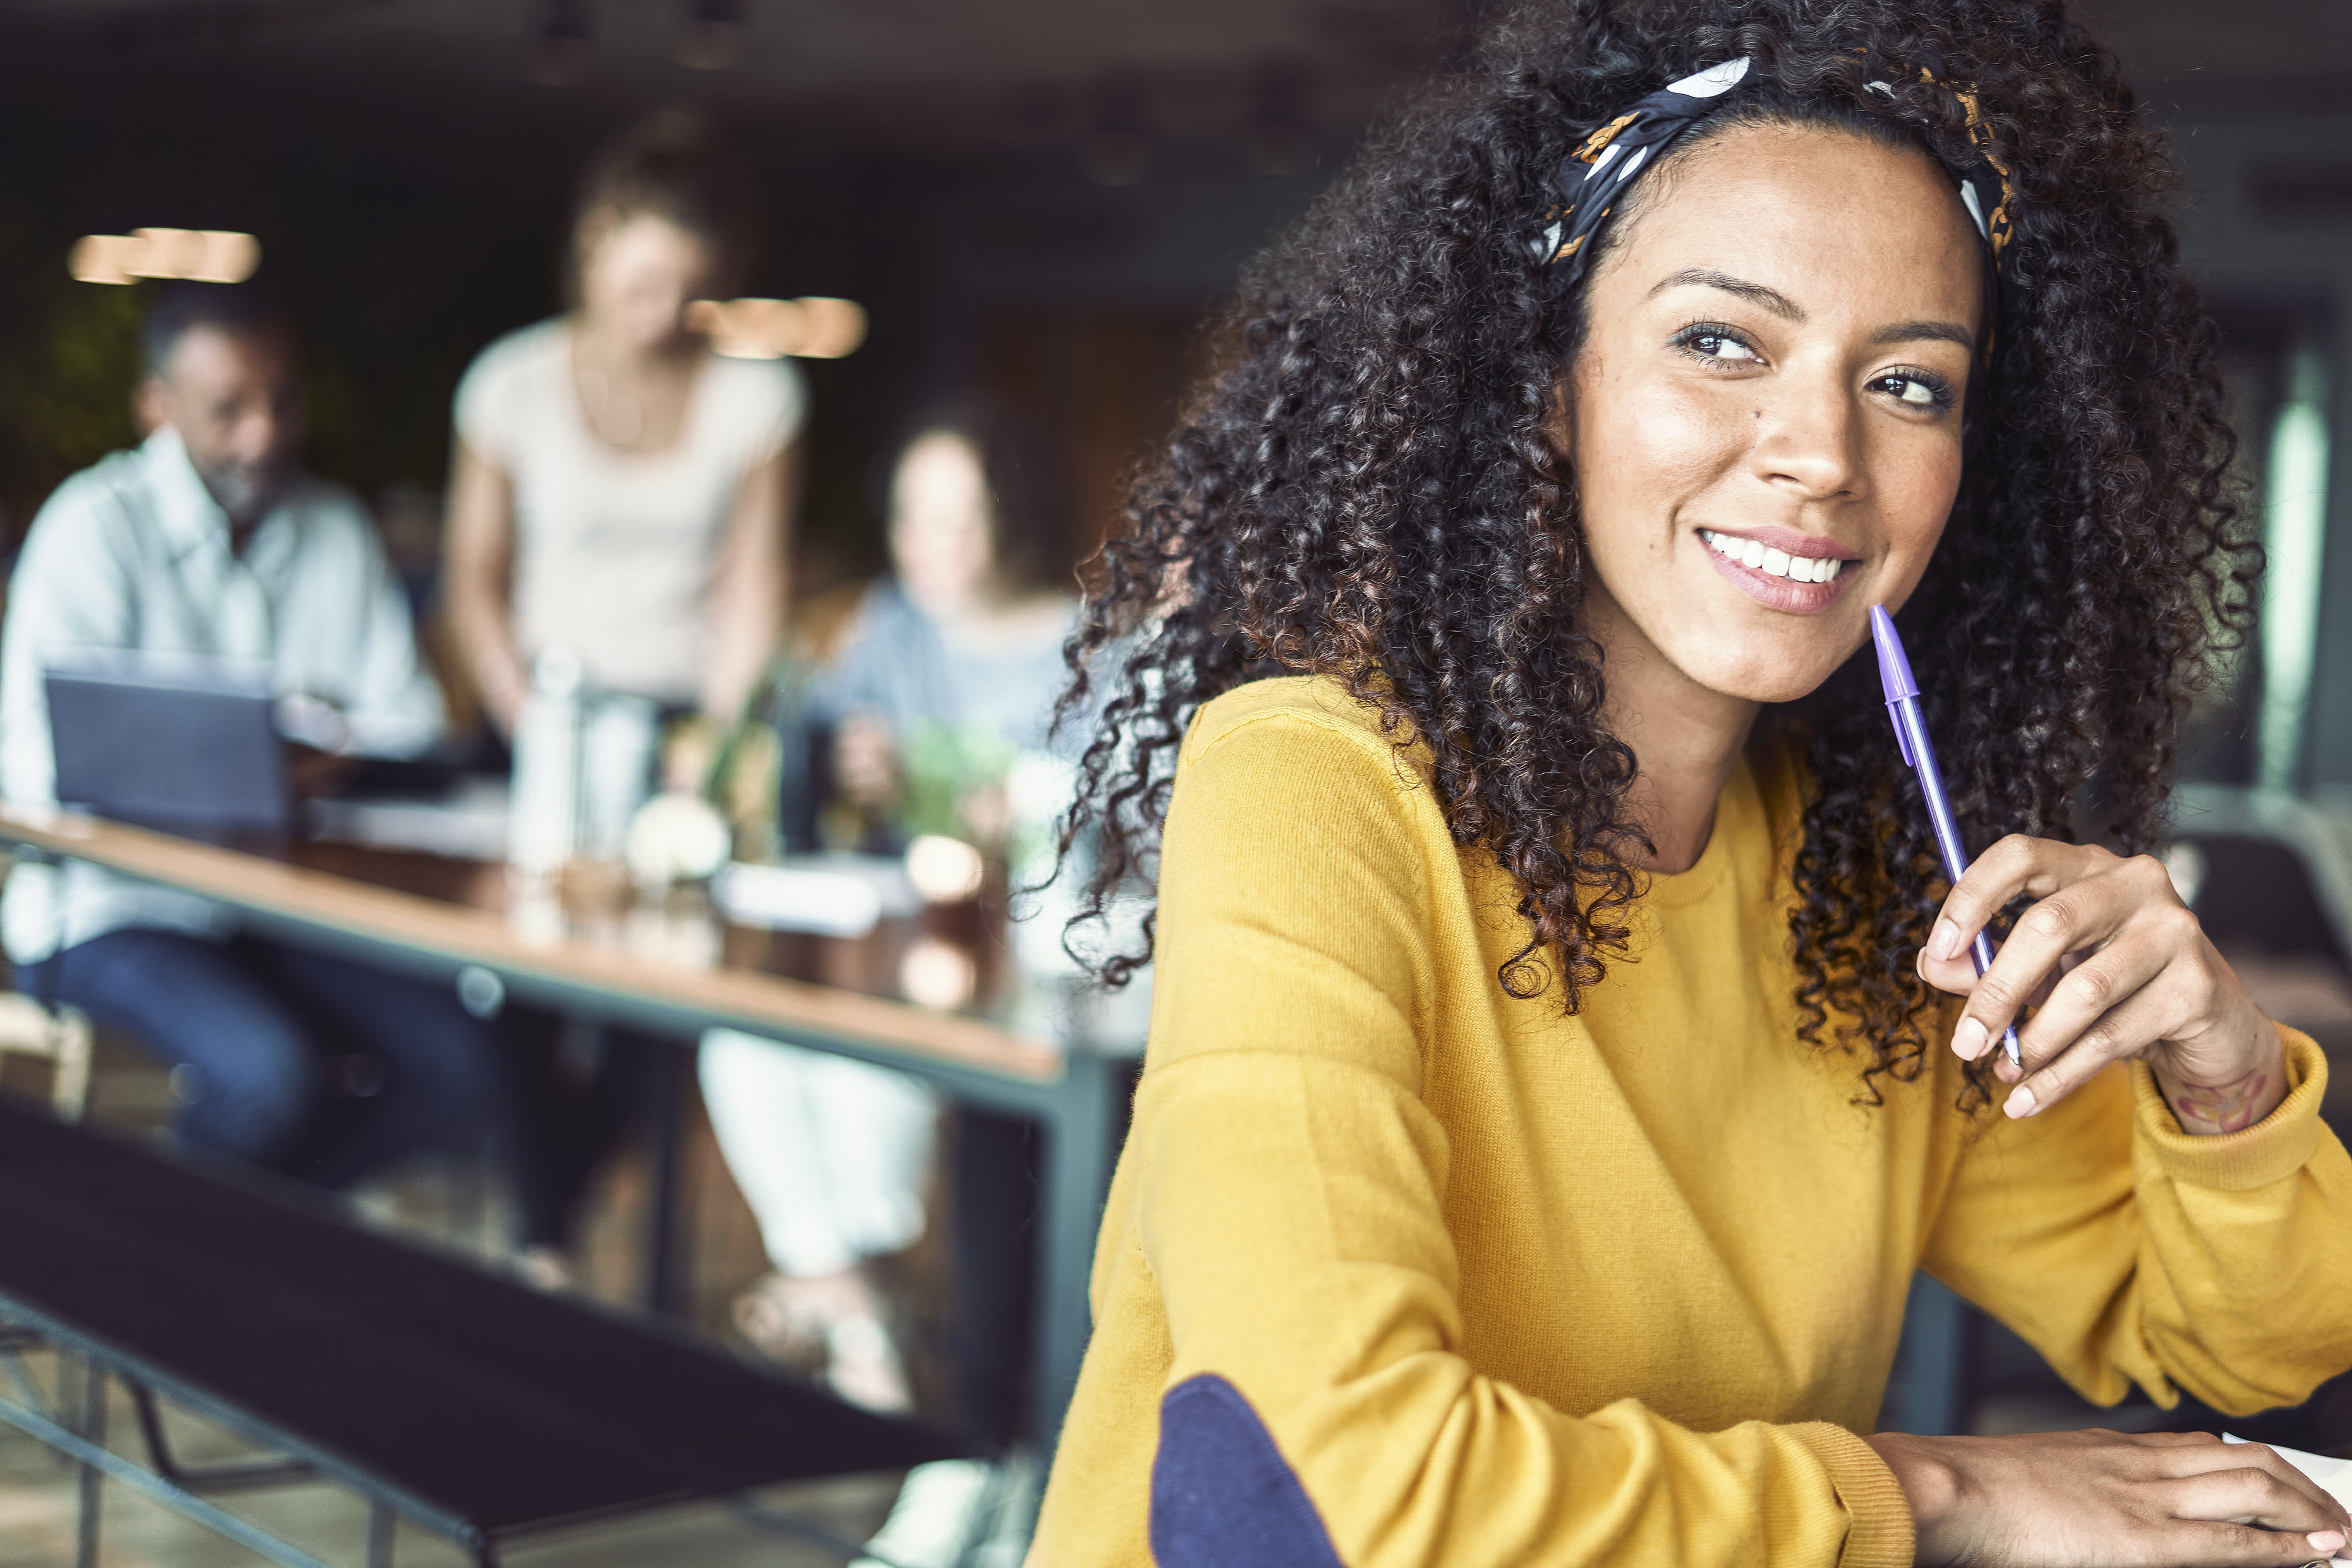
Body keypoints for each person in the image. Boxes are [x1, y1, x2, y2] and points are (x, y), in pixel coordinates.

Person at [1030, 3, 2352, 1564]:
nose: (1821, 451)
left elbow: (2247, 1351)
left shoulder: (1879, 899)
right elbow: (1309, 1496)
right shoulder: (1314, 785)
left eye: (1912, 383)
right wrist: (1936, 1493)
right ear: (1546, 375)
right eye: (1722, 341)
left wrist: (2224, 1080)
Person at [0, 282, 502, 1188]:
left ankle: (239, 1257)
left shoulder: (334, 528)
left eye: (282, 400)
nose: (264, 434)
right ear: (158, 407)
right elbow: (36, 767)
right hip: (110, 913)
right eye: (228, 408)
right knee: (270, 1077)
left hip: (275, 906)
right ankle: (167, 1288)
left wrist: (317, 760)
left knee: (464, 1066)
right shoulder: (92, 530)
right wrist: (229, 771)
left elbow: (410, 725)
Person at [443, 112, 804, 1266]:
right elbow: (473, 577)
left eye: (686, 296)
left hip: (674, 746)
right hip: (537, 722)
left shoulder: (759, 401)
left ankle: (558, 1224)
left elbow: (752, 595)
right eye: (644, 282)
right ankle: (547, 1239)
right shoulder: (508, 383)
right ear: (594, 245)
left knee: (666, 1012)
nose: (661, 315)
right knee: (506, 990)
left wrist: (715, 742)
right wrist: (522, 710)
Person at [703, 404, 1078, 1433]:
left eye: (965, 518)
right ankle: (857, 1292)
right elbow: (803, 756)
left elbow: (1102, 825)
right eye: (917, 520)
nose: (937, 548)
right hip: (877, 946)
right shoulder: (887, 625)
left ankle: (844, 1297)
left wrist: (1011, 805)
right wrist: (841, 762)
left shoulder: (1091, 643)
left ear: (1017, 517)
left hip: (1004, 973)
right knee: (744, 1039)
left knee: (869, 1067)